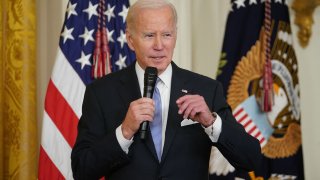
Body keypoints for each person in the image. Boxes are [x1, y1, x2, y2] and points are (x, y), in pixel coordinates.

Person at [71, 0, 261, 179]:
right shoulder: (101, 93)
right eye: (149, 35)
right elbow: (82, 170)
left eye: (167, 35)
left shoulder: (207, 89)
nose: (159, 46)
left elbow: (251, 158)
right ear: (130, 40)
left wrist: (210, 122)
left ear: (175, 36)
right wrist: (125, 131)